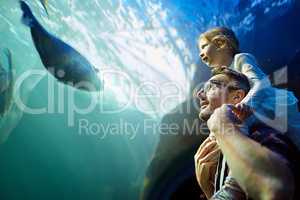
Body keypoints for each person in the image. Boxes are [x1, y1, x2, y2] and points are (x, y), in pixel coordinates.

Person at [194, 68, 300, 199]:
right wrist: (208, 189)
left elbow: (275, 190)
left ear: (237, 96)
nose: (199, 94)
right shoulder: (217, 160)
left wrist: (224, 127)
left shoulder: (260, 137)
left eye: (210, 86)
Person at [198, 27, 300, 148]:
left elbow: (260, 85)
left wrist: (244, 105)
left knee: (296, 139)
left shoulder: (241, 59)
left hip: (270, 104)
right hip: (252, 112)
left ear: (221, 43)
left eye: (204, 46)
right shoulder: (222, 76)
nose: (200, 53)